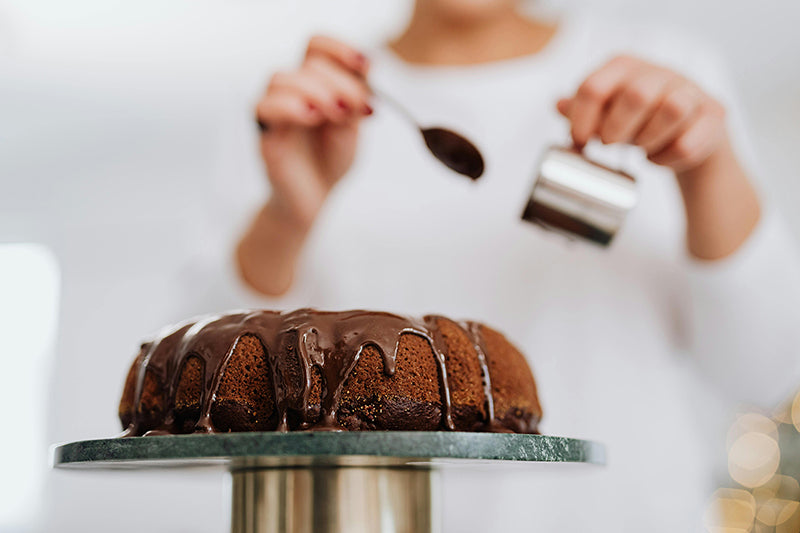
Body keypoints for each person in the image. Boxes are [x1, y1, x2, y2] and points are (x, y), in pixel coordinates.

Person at [231, 1, 800, 531]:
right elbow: (217, 393)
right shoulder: (305, 102)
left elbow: (763, 373)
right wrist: (288, 215)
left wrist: (706, 167)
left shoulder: (673, 77)